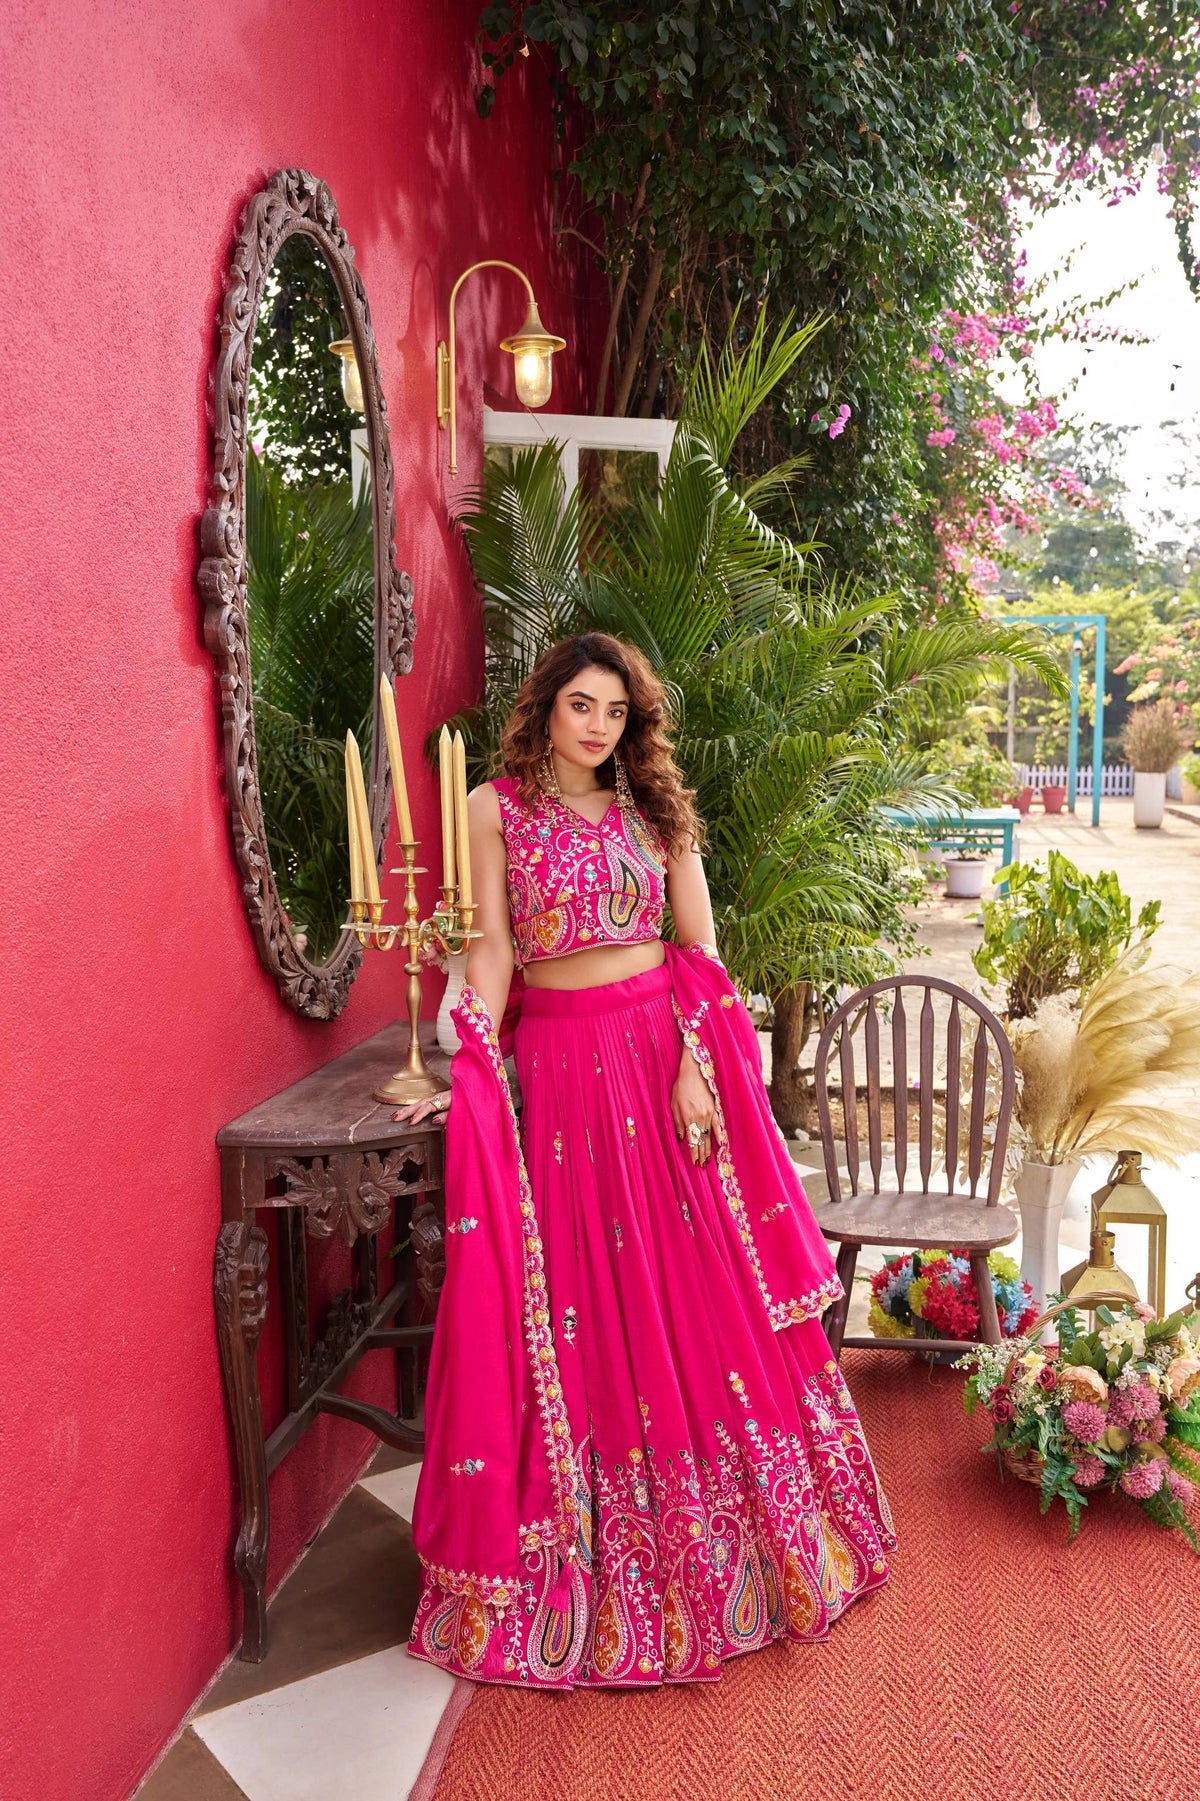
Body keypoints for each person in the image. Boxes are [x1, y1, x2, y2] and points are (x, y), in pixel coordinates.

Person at [395, 632, 893, 1689]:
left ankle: (744, 1542)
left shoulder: (655, 812)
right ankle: (595, 1557)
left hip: (658, 1059)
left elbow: (698, 952)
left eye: (616, 712)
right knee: (582, 1294)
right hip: (565, 1071)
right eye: (582, 704)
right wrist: (460, 1046)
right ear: (546, 706)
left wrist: (697, 1068)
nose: (598, 726)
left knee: (696, 1292)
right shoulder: (491, 810)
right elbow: (489, 949)